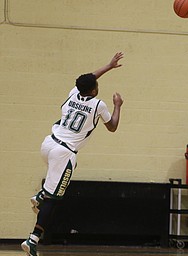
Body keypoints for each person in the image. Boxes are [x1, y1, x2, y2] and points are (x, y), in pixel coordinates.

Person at [21, 52, 124, 256]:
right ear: (94, 90)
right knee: (53, 200)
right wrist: (118, 106)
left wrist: (108, 66)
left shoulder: (72, 93)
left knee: (65, 174)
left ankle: (41, 195)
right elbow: (112, 127)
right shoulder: (98, 105)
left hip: (49, 144)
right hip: (64, 153)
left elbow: (87, 79)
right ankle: (32, 240)